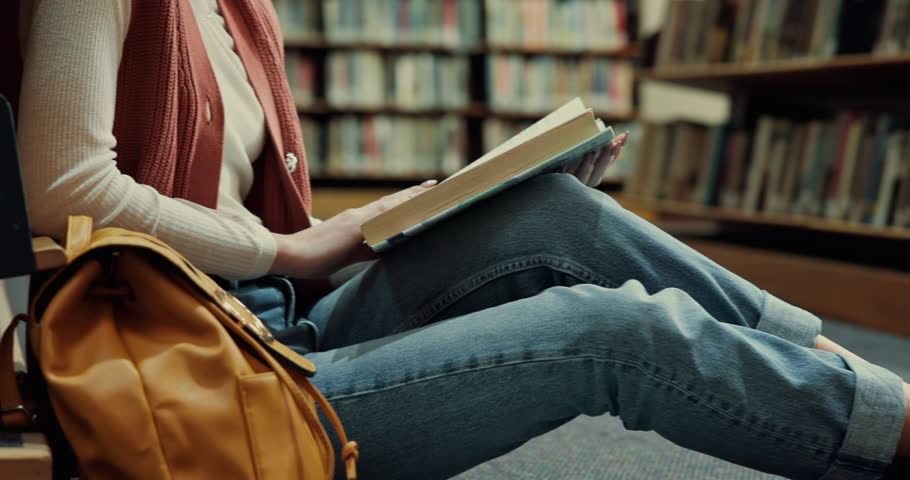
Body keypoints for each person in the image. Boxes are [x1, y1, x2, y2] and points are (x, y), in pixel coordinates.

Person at [10, 1, 910, 479]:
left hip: (275, 319)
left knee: (554, 213)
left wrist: (368, 231)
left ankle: (844, 377)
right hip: (219, 382)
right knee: (613, 333)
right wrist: (301, 251)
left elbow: (251, 224)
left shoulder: (236, 9)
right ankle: (883, 426)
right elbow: (64, 190)